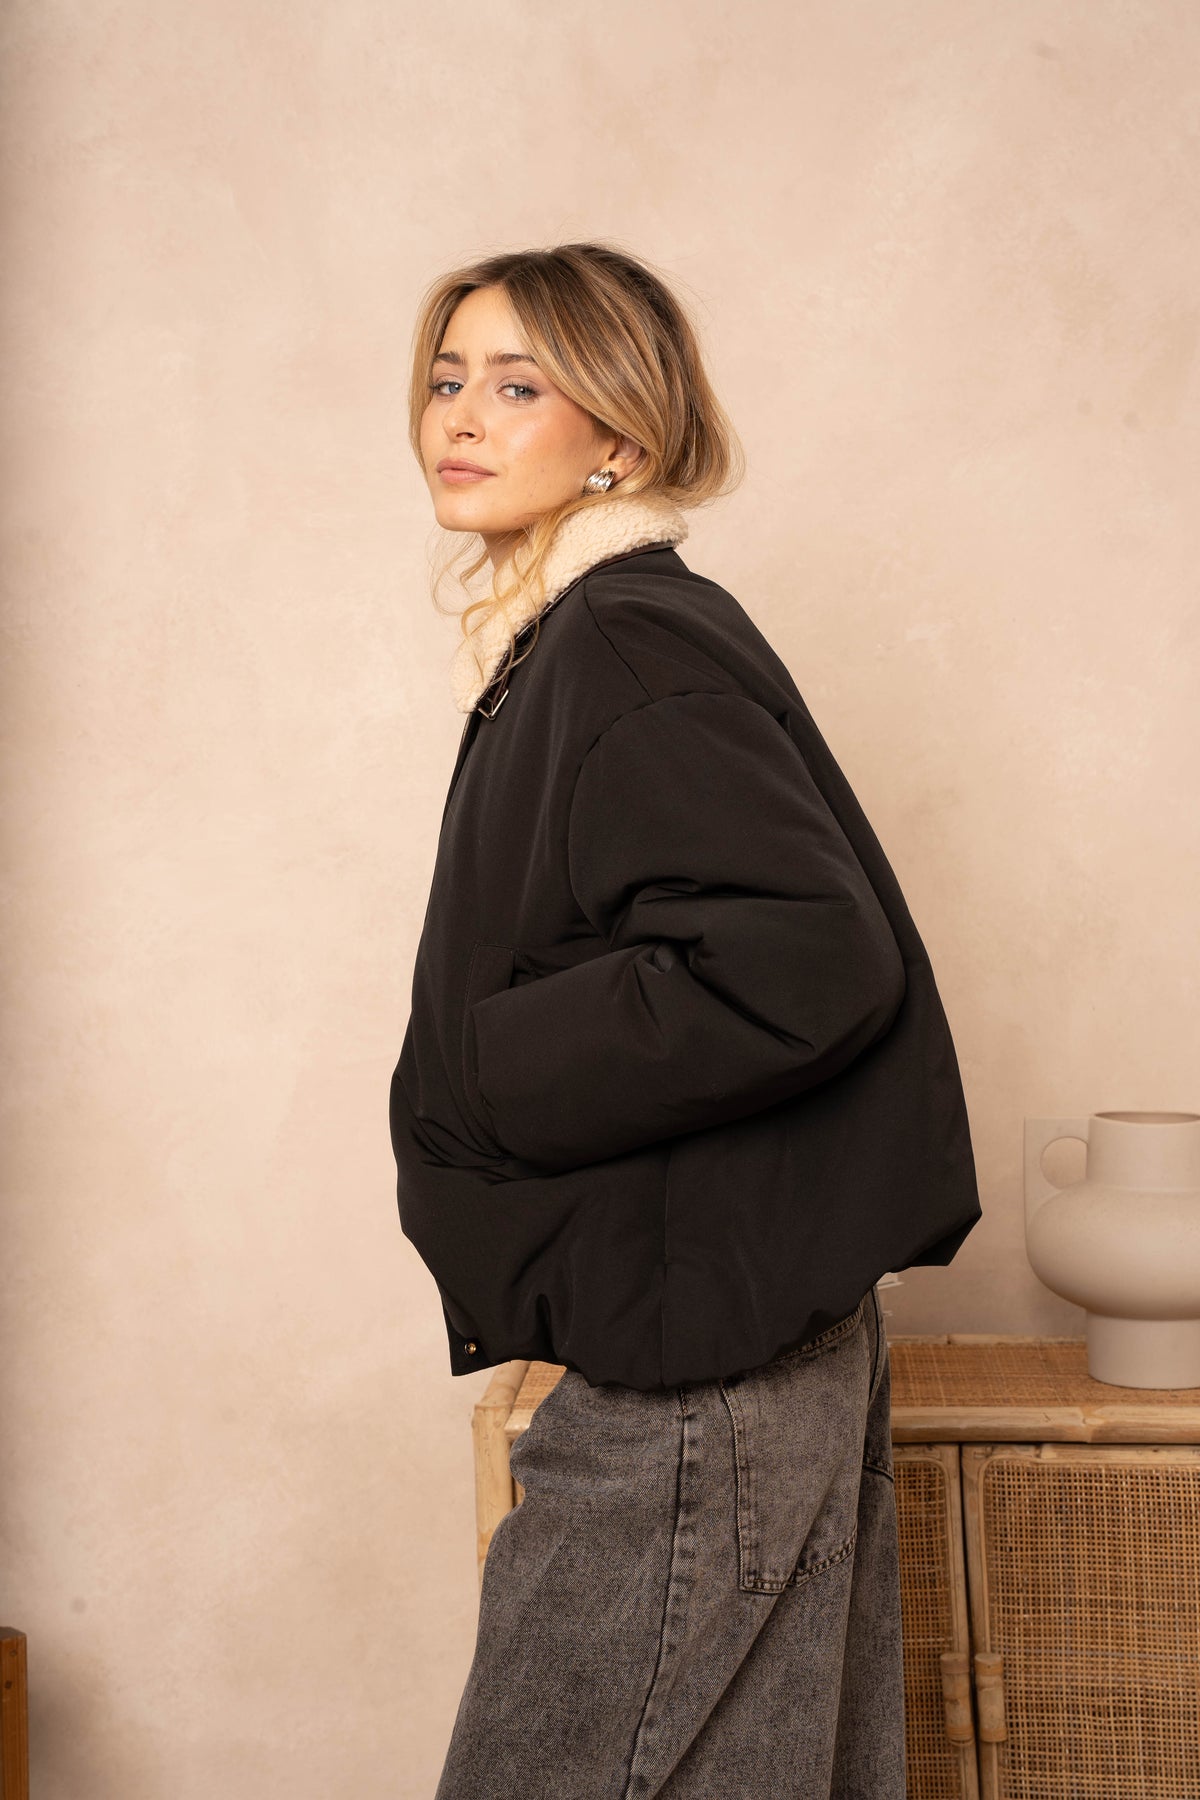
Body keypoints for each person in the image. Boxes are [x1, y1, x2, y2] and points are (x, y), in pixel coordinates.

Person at [390, 241, 981, 1798]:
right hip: (723, 1338)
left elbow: (803, 958)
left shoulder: (624, 640)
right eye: (448, 379)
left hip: (699, 1366)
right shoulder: (576, 640)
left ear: (621, 435)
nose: (462, 415)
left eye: (520, 385)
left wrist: (486, 1069)